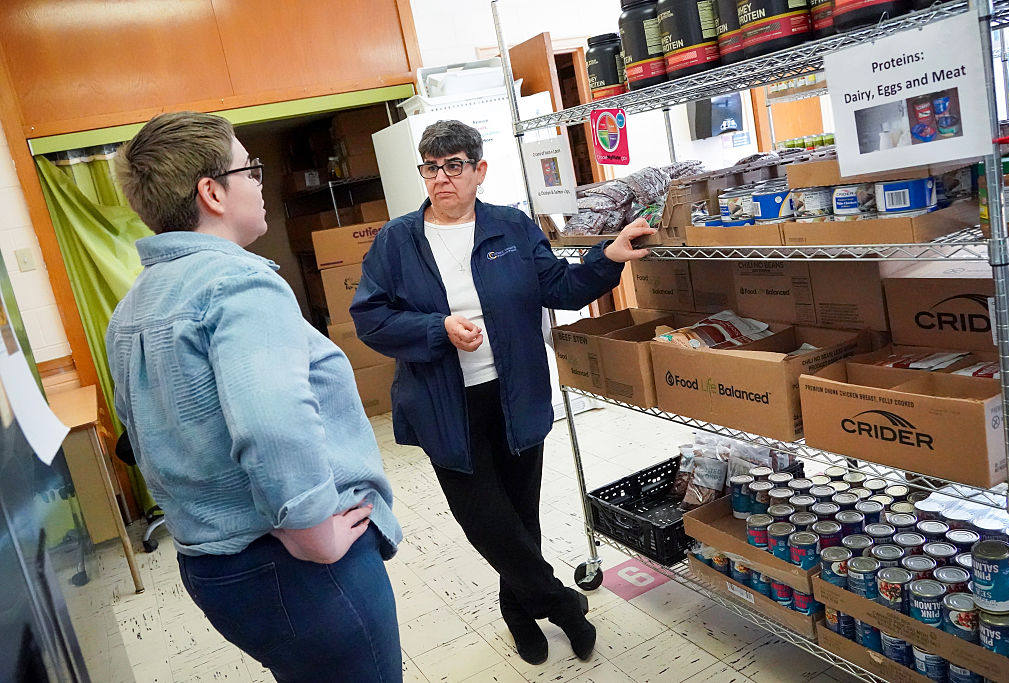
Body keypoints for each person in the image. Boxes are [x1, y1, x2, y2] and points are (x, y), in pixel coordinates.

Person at [106, 111, 402, 683]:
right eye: (252, 169)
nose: (261, 182)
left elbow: (138, 433)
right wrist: (315, 533)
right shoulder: (239, 283)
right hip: (299, 567)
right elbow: (273, 426)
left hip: (215, 570)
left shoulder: (134, 307)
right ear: (211, 192)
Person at [350, 119, 652, 665]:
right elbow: (370, 318)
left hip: (515, 395)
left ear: (479, 170)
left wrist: (608, 257)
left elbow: (558, 287)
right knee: (486, 523)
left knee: (520, 517)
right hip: (444, 405)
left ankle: (518, 614)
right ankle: (562, 606)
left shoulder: (511, 227)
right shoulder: (397, 241)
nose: (441, 178)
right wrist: (436, 329)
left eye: (454, 166)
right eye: (431, 167)